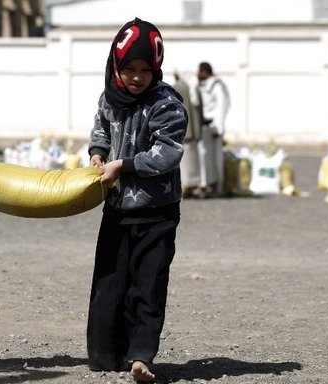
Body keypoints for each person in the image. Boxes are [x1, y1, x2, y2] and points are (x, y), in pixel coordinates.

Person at [86, 18, 187, 383]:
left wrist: (123, 165)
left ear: (156, 68)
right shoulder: (108, 96)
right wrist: (98, 153)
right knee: (109, 284)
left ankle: (141, 356)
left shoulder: (166, 103)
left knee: (147, 284)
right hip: (116, 210)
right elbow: (100, 129)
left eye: (146, 69)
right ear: (116, 64)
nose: (137, 77)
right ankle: (106, 354)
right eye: (129, 68)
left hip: (156, 213)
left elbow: (167, 153)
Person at [196, 61, 230, 197]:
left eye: (199, 71)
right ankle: (207, 185)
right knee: (204, 158)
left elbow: (222, 107)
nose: (198, 74)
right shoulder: (204, 85)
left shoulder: (217, 86)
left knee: (215, 158)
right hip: (205, 127)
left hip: (214, 127)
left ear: (205, 71)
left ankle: (218, 186)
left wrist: (218, 128)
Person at [173, 71, 204, 198]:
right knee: (192, 160)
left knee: (185, 161)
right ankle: (193, 185)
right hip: (193, 130)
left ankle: (187, 186)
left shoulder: (177, 87)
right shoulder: (193, 87)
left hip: (181, 129)